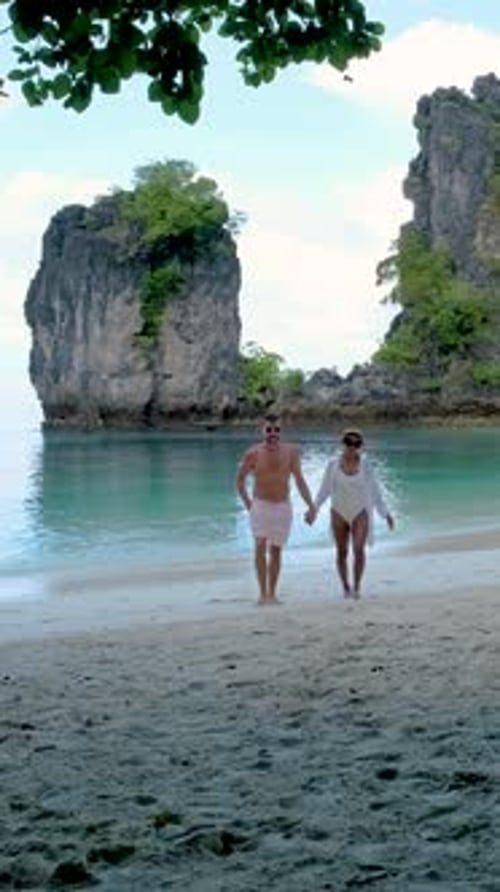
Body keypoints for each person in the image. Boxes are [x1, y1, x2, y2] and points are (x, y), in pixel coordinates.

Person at [305, 428, 394, 598]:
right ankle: (346, 586)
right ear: (342, 443)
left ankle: (357, 586)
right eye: (348, 442)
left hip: (360, 511)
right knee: (342, 551)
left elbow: (375, 491)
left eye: (356, 443)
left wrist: (386, 514)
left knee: (359, 549)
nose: (352, 446)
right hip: (338, 511)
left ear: (361, 446)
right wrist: (313, 510)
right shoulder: (333, 465)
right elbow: (324, 490)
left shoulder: (365, 465)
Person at [236, 413, 315, 605]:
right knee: (260, 546)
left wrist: (311, 505)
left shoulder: (291, 452)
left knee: (277, 550)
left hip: (282, 506)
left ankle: (272, 593)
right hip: (260, 505)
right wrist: (249, 504)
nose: (273, 433)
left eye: (277, 430)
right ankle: (262, 594)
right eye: (269, 430)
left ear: (281, 432)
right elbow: (240, 481)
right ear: (262, 430)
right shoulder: (252, 453)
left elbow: (299, 480)